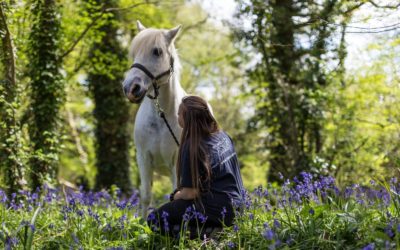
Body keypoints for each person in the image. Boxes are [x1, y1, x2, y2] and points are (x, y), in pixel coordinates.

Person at [147, 95, 245, 238]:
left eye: (179, 113)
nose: (177, 116)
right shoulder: (223, 136)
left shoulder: (192, 147)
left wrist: (175, 195)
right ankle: (210, 230)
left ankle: (206, 234)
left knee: (154, 220)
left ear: (186, 119)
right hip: (239, 208)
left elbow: (189, 194)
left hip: (217, 211)